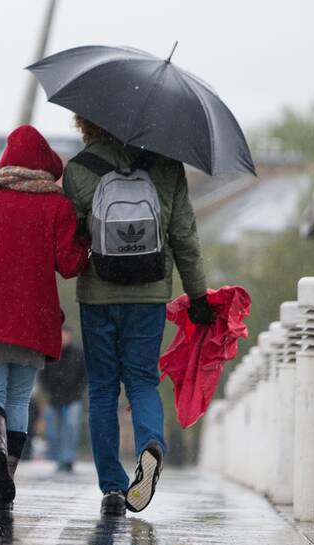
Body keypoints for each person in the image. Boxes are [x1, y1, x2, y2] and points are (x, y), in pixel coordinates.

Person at [63, 116, 214, 516]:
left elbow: (70, 239)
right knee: (143, 381)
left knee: (102, 389)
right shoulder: (167, 167)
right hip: (150, 294)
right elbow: (185, 238)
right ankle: (151, 444)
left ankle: (112, 487)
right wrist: (198, 296)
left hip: (98, 294)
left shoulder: (79, 169)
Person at [0, 125, 88, 507]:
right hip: (32, 319)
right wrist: (83, 233)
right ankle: (6, 472)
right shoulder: (55, 205)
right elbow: (71, 265)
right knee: (19, 399)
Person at [39, 325, 85, 473]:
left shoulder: (78, 354)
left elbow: (84, 376)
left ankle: (68, 459)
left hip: (73, 398)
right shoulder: (50, 353)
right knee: (53, 430)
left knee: (71, 427)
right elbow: (43, 374)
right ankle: (59, 458)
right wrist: (48, 391)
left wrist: (78, 391)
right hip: (54, 399)